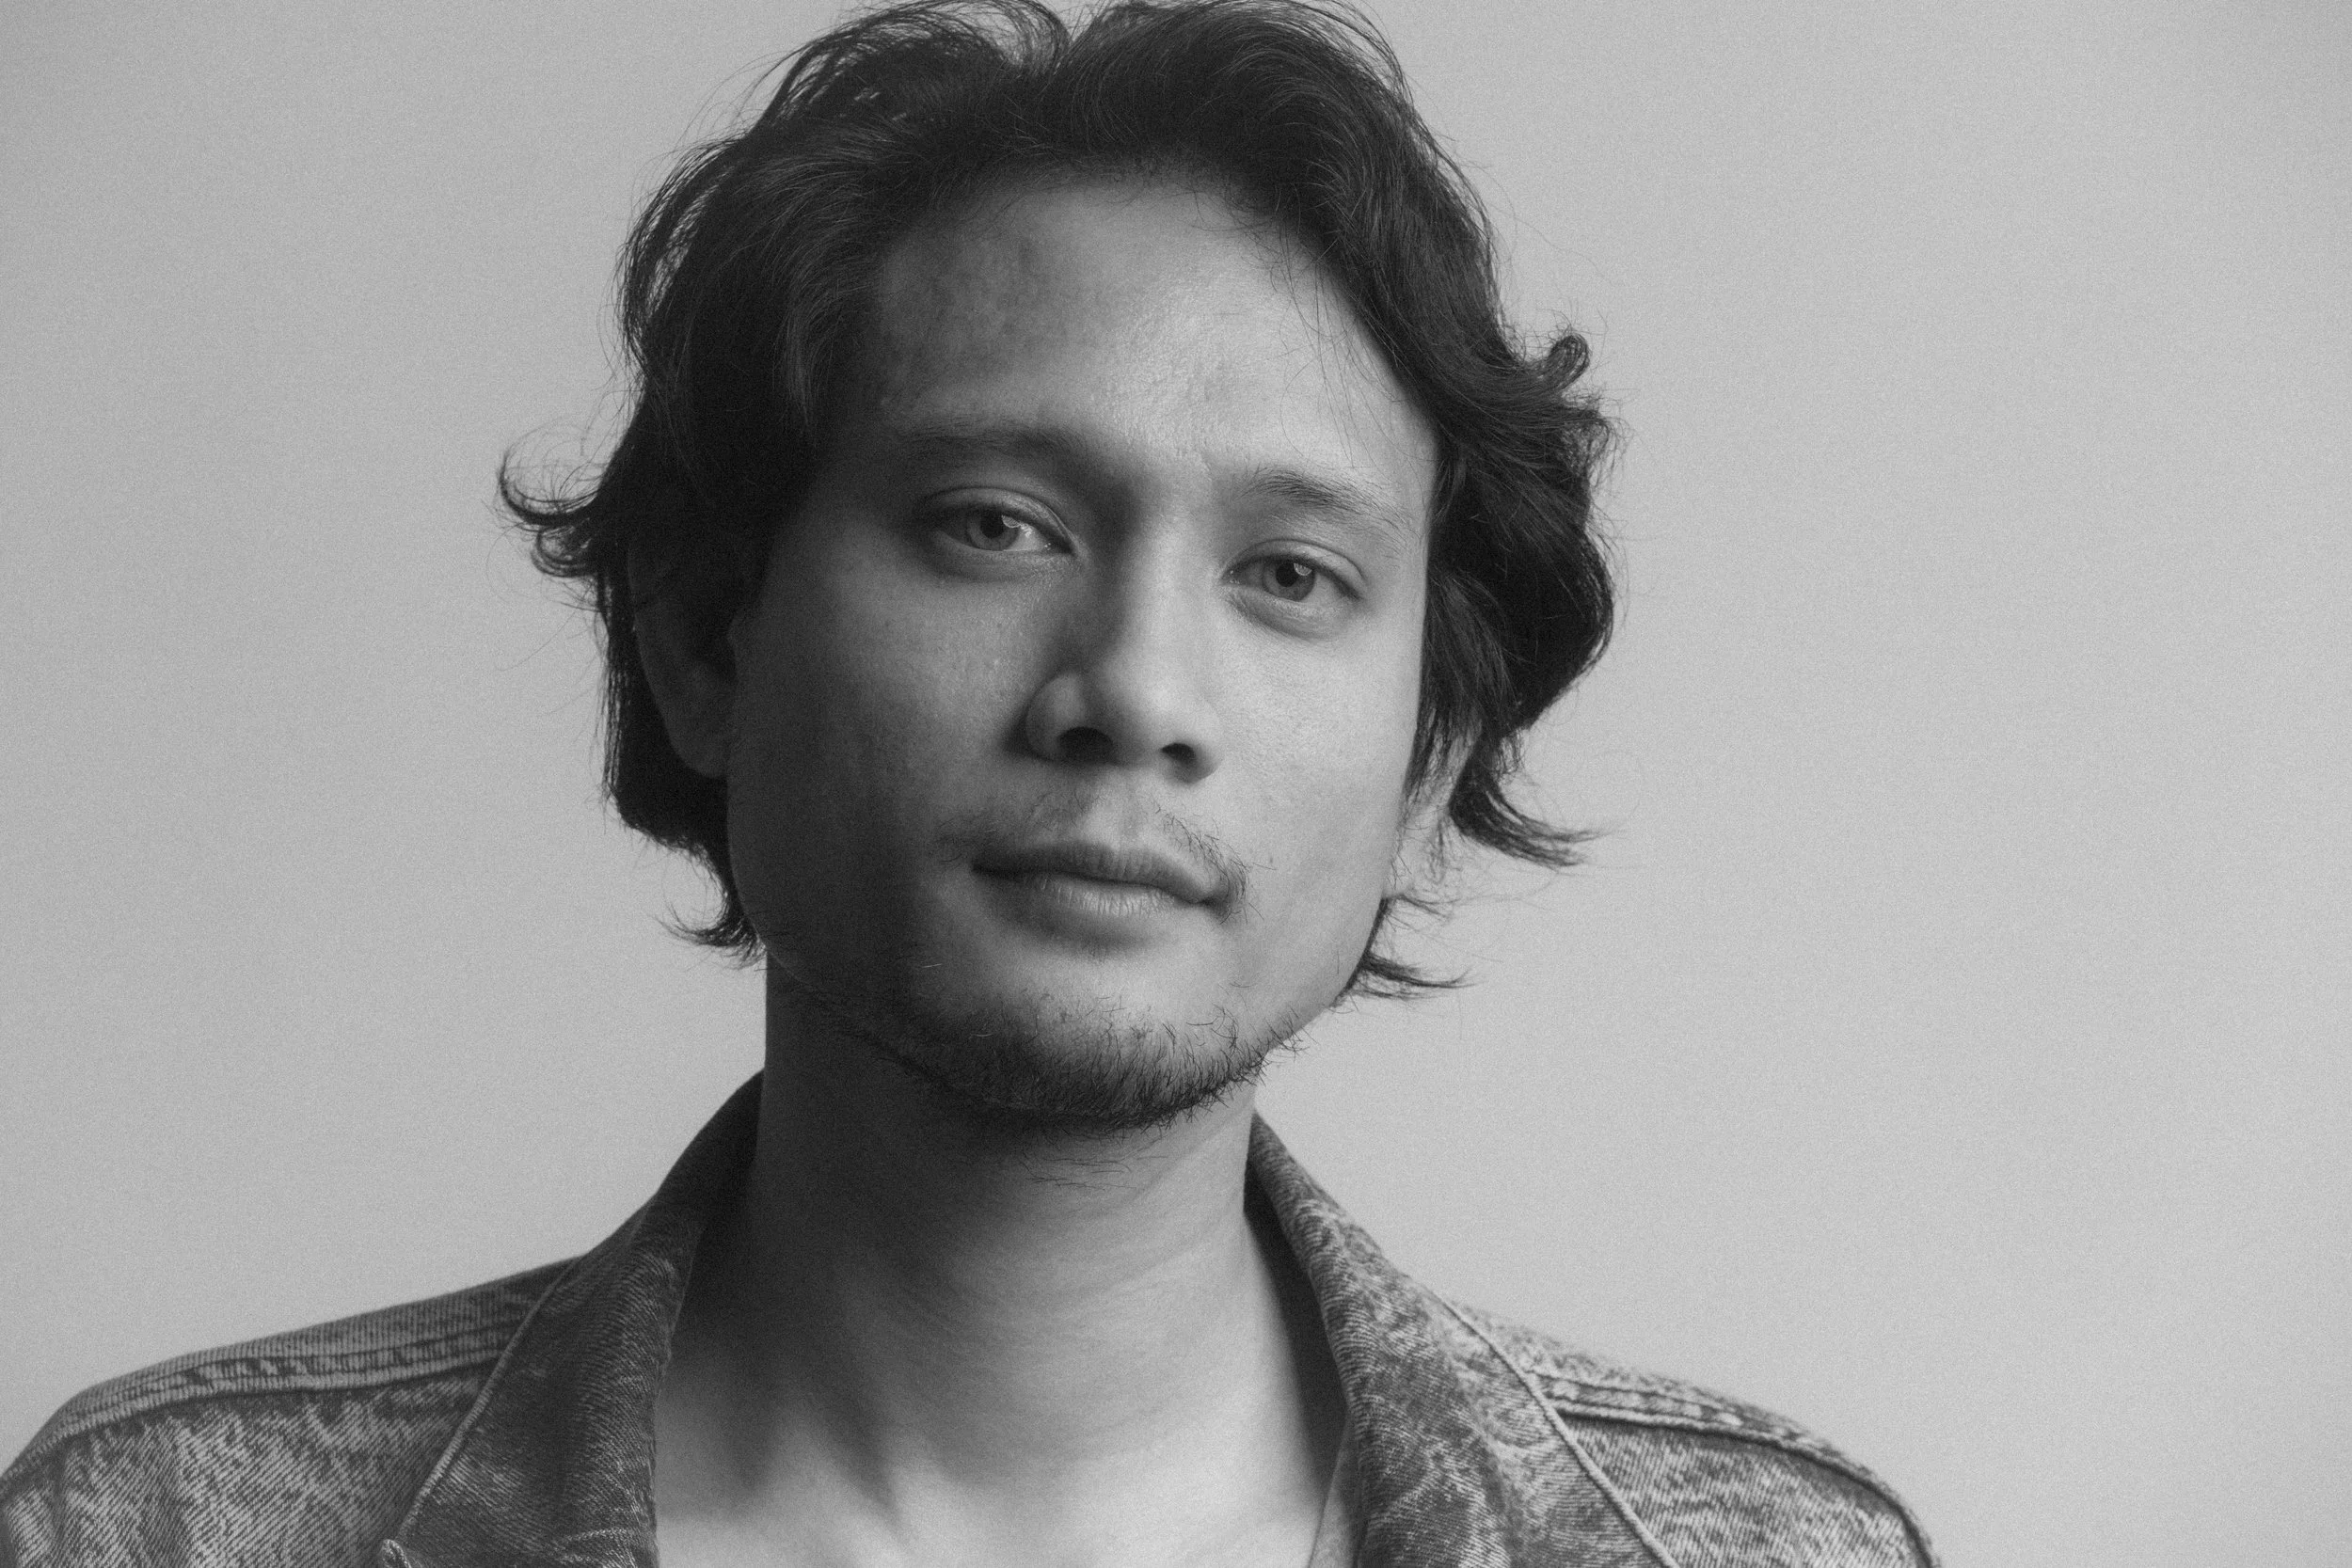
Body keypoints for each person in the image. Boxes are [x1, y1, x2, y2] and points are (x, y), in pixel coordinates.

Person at [1, 2, 1937, 1563]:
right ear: (706, 635)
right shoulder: (146, 1533)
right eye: (996, 523)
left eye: (1289, 575)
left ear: (1430, 760)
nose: (1136, 692)